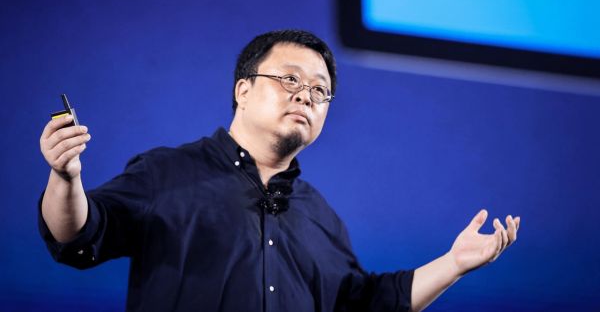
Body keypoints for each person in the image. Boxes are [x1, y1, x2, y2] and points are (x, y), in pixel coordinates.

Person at [39, 29, 520, 312]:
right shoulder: (166, 172)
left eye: (320, 90)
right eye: (290, 79)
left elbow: (364, 304)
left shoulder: (321, 217)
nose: (305, 96)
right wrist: (65, 178)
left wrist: (453, 264)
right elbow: (80, 234)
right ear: (243, 90)